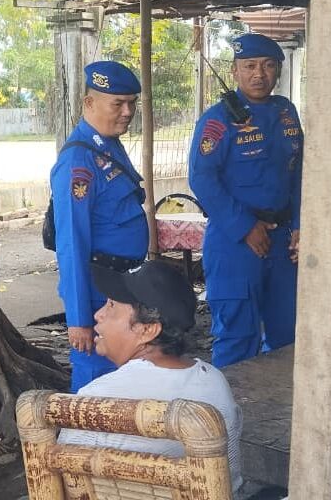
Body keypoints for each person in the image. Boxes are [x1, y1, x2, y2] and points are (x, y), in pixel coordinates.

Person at [58, 260, 243, 493]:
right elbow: (232, 481)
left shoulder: (96, 399)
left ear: (148, 329)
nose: (98, 315)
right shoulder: (214, 381)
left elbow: (64, 487)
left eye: (111, 306)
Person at [188, 32, 304, 368]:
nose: (259, 74)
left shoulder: (286, 112)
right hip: (234, 242)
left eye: (268, 65)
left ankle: (281, 415)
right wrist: (244, 226)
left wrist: (299, 225)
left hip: (283, 243)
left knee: (287, 336)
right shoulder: (218, 119)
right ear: (235, 71)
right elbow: (202, 178)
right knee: (237, 338)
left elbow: (299, 172)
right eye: (249, 66)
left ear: (279, 71)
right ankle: (231, 416)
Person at [50, 61, 149, 393]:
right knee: (96, 381)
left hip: (122, 285)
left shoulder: (108, 145)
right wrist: (79, 319)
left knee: (123, 378)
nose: (127, 112)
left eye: (132, 102)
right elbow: (71, 243)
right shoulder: (79, 161)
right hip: (95, 293)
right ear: (89, 103)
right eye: (117, 103)